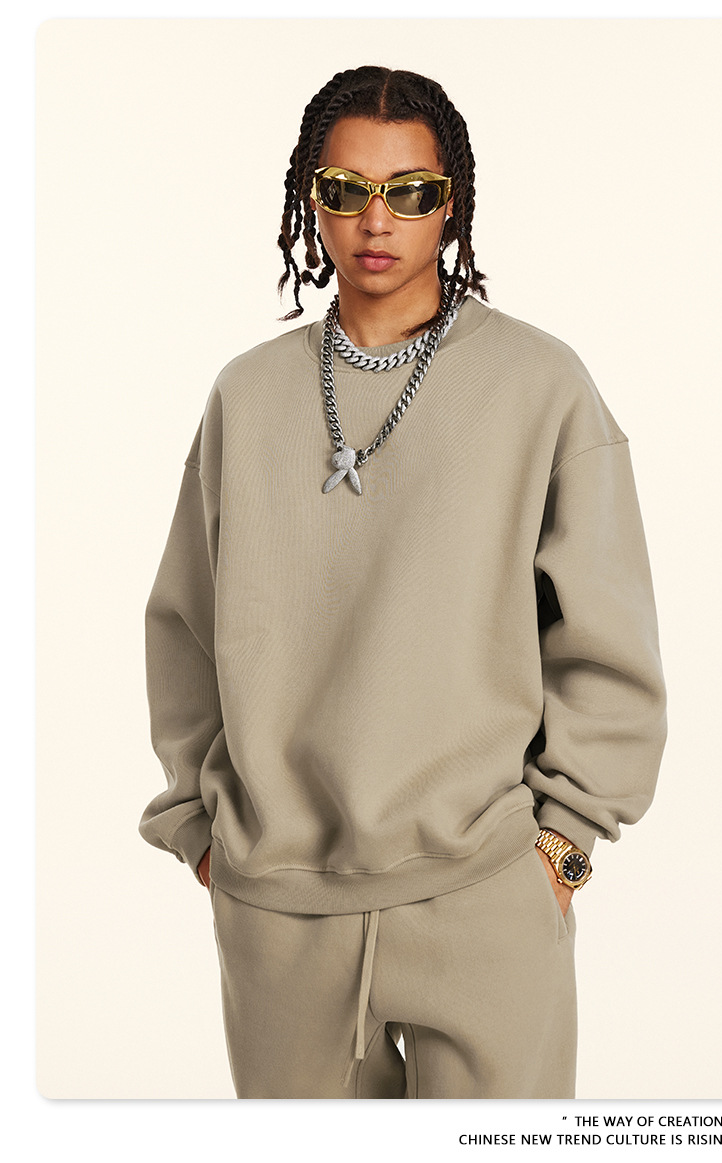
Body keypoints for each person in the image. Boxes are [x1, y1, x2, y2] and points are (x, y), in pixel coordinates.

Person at [139, 65, 668, 1100]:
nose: (376, 219)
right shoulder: (247, 395)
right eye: (345, 189)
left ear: (451, 202)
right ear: (311, 200)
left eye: (411, 191)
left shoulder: (541, 385)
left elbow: (607, 642)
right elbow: (185, 627)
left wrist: (559, 849)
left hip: (485, 891)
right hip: (279, 910)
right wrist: (206, 839)